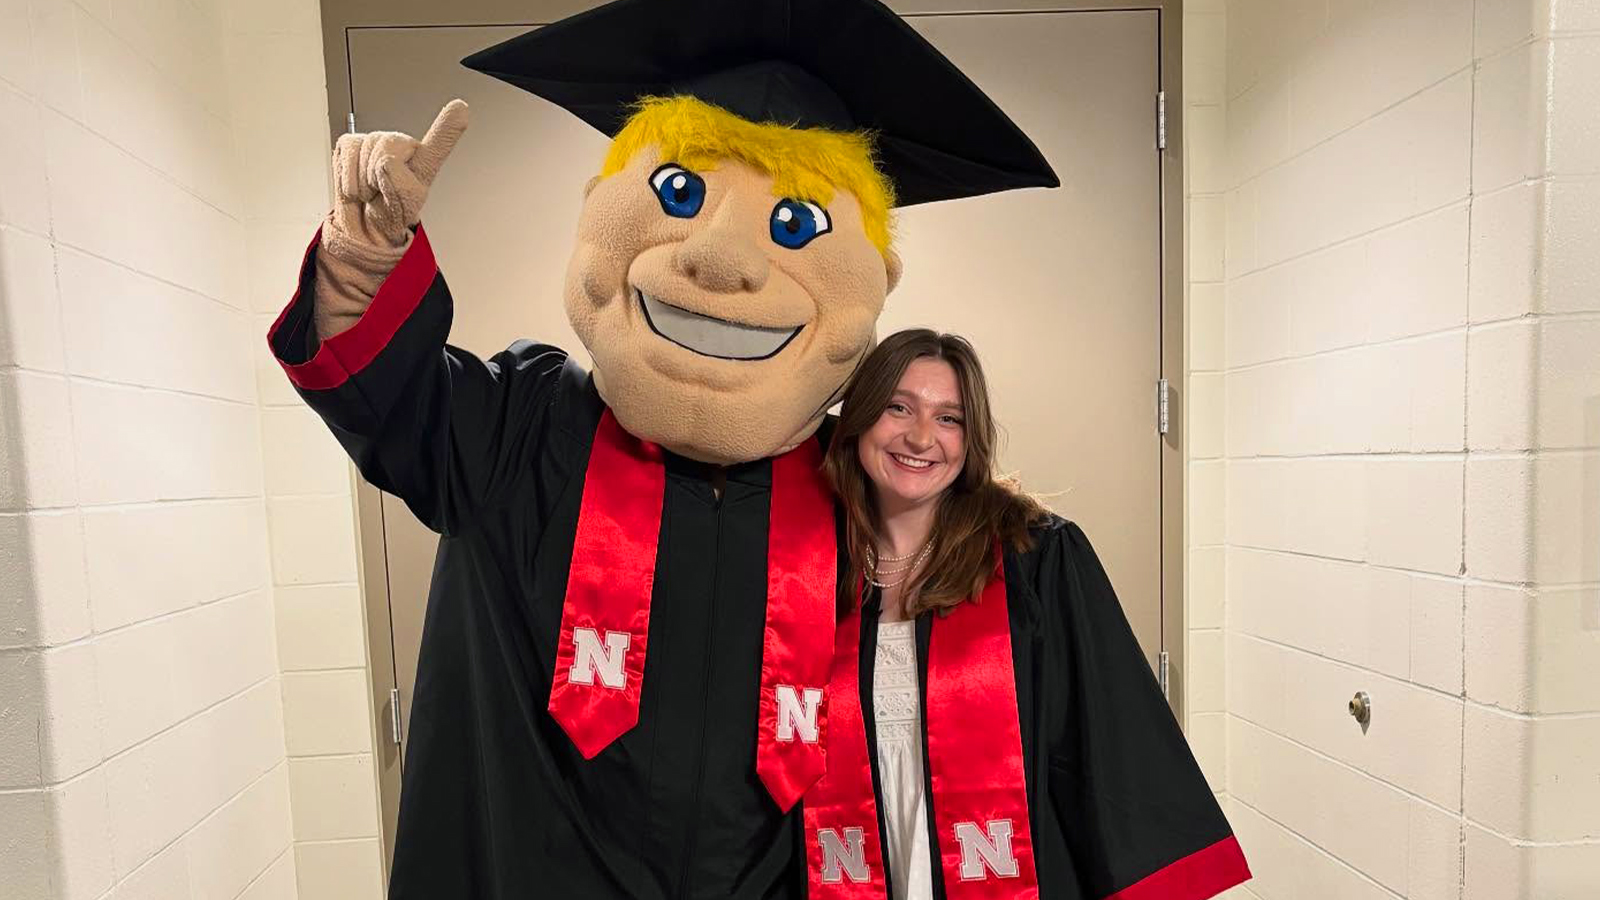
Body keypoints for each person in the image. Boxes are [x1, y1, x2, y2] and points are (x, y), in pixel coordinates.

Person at [263, 0, 1057, 895]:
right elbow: (391, 399)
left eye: (794, 224)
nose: (723, 261)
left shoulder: (847, 489)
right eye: (682, 193)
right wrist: (363, 263)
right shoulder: (519, 426)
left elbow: (966, 635)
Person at [804, 329, 1251, 899]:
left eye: (949, 418)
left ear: (971, 439)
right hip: (852, 869)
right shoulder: (813, 572)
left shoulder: (1035, 559)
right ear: (860, 419)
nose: (920, 437)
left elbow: (1108, 735)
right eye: (898, 408)